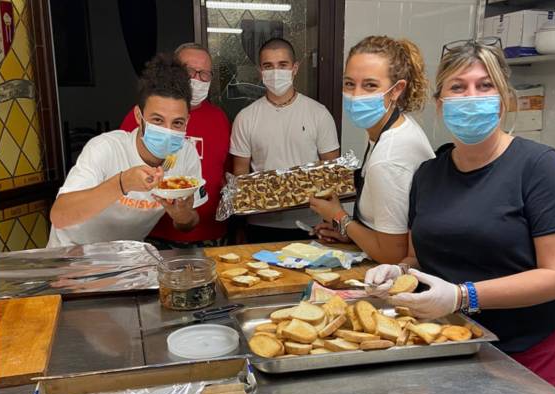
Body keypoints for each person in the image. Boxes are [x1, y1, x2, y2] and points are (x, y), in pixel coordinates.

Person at [365, 38, 555, 394]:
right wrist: (398, 272)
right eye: (457, 87)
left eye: (484, 86)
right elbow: (419, 257)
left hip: (523, 361)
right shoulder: (428, 174)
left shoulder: (537, 166)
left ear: (503, 100)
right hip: (443, 349)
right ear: (440, 104)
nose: (471, 97)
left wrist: (462, 296)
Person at [48, 53, 202, 247]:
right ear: (139, 116)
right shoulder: (105, 148)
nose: (168, 131)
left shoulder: (186, 154)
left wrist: (183, 216)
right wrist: (122, 183)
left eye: (177, 123)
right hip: (71, 255)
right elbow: (60, 216)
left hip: (127, 259)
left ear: (187, 121)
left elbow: (189, 223)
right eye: (157, 120)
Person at [309, 36, 434, 264]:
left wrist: (339, 217)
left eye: (370, 85)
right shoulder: (392, 128)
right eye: (349, 84)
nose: (356, 96)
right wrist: (352, 234)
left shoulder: (388, 158)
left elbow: (393, 255)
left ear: (396, 90)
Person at [229, 37, 340, 243]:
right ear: (260, 71)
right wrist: (241, 224)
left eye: (282, 65)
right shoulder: (245, 117)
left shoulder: (318, 113)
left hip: (311, 221)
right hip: (261, 223)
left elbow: (331, 172)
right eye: (268, 66)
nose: (275, 72)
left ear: (295, 68)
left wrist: (334, 220)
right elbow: (240, 174)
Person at [120, 43, 230, 249]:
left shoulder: (220, 118)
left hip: (210, 233)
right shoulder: (143, 118)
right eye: (190, 71)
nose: (197, 79)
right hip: (156, 235)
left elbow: (226, 171)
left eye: (205, 74)